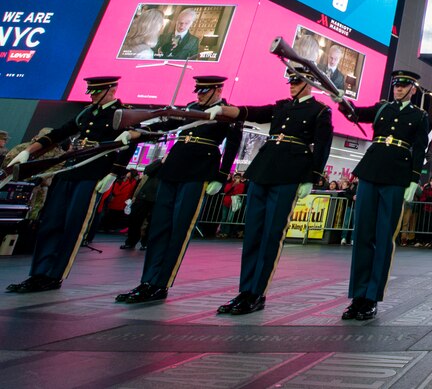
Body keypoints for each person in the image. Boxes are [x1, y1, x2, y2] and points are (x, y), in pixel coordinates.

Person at [207, 70, 333, 315]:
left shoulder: (319, 111)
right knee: (253, 233)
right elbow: (250, 112)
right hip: (263, 169)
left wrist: (312, 177)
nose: (292, 86)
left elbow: (322, 146)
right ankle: (244, 291)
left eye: (297, 81)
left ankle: (257, 293)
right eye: (291, 81)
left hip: (289, 172)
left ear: (308, 84)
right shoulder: (281, 106)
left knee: (271, 235)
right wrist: (222, 110)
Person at [115, 76, 243, 304]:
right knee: (158, 228)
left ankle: (161, 283)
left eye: (204, 91)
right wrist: (139, 132)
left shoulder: (227, 112)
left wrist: (221, 176)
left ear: (217, 90)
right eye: (198, 91)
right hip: (173, 168)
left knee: (178, 229)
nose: (200, 95)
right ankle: (147, 281)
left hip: (199, 170)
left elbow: (232, 146)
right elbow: (168, 125)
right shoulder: (191, 109)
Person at [6, 77, 139, 293]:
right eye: (91, 92)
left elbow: (130, 145)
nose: (93, 96)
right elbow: (59, 133)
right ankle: (38, 273)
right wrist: (28, 151)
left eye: (97, 92)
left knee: (72, 225)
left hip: (93, 172)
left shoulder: (123, 113)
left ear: (111, 90)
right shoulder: (84, 113)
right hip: (70, 171)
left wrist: (114, 172)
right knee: (51, 223)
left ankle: (54, 275)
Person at [337, 70, 431, 321]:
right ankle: (357, 295)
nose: (398, 89)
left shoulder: (420, 116)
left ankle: (371, 297)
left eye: (403, 86)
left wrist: (413, 178)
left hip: (397, 174)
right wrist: (341, 101)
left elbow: (420, 148)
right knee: (362, 235)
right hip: (371, 169)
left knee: (383, 237)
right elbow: (355, 114)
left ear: (412, 89)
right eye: (396, 85)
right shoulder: (381, 108)